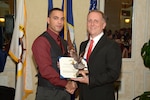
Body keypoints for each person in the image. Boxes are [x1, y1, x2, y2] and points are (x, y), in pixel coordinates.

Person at [71, 10, 122, 100]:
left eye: (96, 21)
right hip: (84, 95)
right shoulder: (83, 45)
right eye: (89, 21)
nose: (92, 24)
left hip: (102, 95)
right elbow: (82, 67)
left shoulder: (112, 46)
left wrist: (91, 80)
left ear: (103, 25)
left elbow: (114, 73)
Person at [32, 8, 77, 100]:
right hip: (48, 93)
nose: (59, 22)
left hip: (65, 92)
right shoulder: (41, 41)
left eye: (62, 19)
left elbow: (68, 67)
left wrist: (73, 82)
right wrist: (67, 84)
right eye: (56, 18)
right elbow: (46, 70)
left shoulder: (64, 42)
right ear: (48, 20)